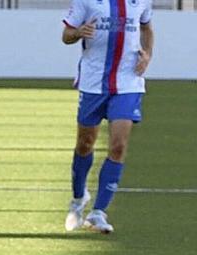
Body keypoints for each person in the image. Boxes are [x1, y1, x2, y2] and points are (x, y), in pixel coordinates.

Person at [62, 0, 153, 233]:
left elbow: (146, 27)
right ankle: (78, 198)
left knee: (118, 146)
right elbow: (66, 35)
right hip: (93, 82)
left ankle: (98, 212)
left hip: (128, 81)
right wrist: (79, 32)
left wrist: (147, 55)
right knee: (85, 144)